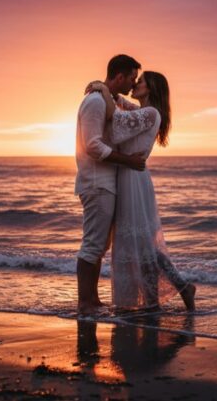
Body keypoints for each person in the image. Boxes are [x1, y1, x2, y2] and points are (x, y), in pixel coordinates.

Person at [87, 71, 196, 311]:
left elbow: (116, 125)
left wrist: (104, 91)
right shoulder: (142, 111)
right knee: (141, 243)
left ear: (152, 88)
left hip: (133, 179)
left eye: (141, 81)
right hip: (128, 176)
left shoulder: (151, 113)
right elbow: (121, 105)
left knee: (143, 243)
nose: (136, 83)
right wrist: (106, 89)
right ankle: (171, 292)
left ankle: (159, 299)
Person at [74, 54, 146, 316]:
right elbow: (92, 145)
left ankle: (93, 301)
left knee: (100, 245)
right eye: (132, 78)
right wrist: (128, 161)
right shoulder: (95, 101)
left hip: (106, 183)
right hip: (96, 183)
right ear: (119, 76)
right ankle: (85, 303)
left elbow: (138, 112)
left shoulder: (111, 99)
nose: (133, 83)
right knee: (93, 245)